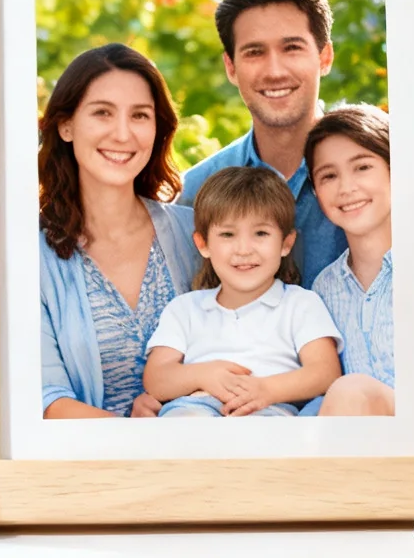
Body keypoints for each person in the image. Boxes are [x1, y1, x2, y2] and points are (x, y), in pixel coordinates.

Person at [39, 43, 201, 418]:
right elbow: (48, 399)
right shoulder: (31, 255)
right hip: (94, 469)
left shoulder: (195, 235)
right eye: (102, 113)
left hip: (203, 454)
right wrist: (141, 439)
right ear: (66, 125)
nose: (123, 134)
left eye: (140, 116)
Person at [177, 0, 347, 288]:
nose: (274, 70)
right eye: (255, 52)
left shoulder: (383, 175)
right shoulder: (193, 196)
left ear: (324, 58)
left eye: (292, 48)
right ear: (231, 67)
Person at [142, 167, 342, 417]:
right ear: (203, 244)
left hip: (271, 409)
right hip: (197, 405)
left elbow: (325, 373)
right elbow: (156, 378)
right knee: (182, 420)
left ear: (286, 243)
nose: (244, 249)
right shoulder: (185, 308)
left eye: (261, 233)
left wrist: (266, 390)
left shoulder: (301, 303)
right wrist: (204, 375)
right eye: (227, 234)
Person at [305, 105, 396, 416]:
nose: (346, 188)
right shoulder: (323, 289)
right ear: (316, 192)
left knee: (351, 390)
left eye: (362, 167)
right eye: (329, 176)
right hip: (355, 449)